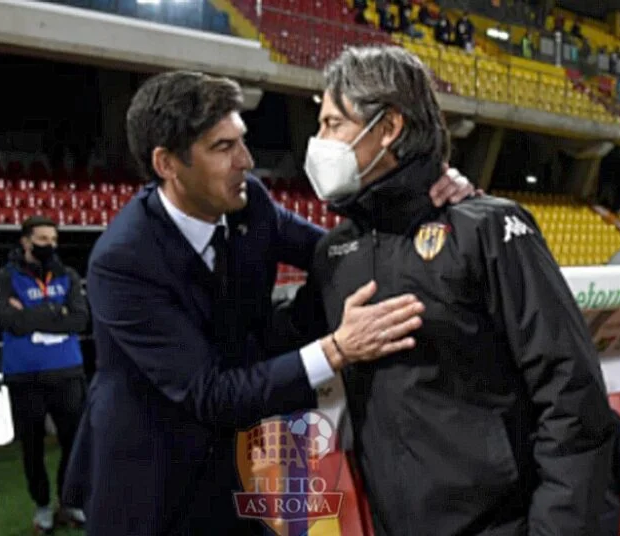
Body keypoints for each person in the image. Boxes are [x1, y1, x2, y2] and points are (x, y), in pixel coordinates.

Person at [61, 70, 475, 536]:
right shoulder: (123, 261)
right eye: (223, 147)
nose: (246, 161)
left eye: (242, 141)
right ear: (167, 164)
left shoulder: (250, 203)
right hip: (148, 479)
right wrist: (337, 349)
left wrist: (424, 195)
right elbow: (210, 394)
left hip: (238, 461)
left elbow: (338, 256)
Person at [303, 46, 616, 535]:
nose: (318, 141)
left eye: (331, 123)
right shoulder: (335, 252)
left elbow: (571, 393)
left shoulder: (489, 228)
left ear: (388, 128)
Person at [0, 215, 89, 534]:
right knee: (32, 447)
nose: (50, 246)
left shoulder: (68, 275)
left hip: (68, 372)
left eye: (54, 240)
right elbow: (10, 321)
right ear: (25, 241)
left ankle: (70, 502)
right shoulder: (3, 278)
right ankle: (43, 506)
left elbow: (79, 320)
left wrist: (32, 314)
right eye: (43, 240)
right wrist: (55, 313)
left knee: (75, 444)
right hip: (25, 377)